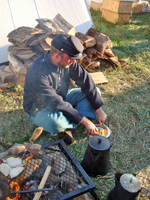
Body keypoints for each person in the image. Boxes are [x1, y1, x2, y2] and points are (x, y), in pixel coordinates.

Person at [23, 33, 107, 144]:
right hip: (40, 108)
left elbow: (86, 82)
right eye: (72, 58)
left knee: (96, 92)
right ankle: (68, 124)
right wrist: (85, 121)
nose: (74, 61)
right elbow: (56, 102)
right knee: (55, 123)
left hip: (63, 98)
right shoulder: (37, 72)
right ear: (57, 55)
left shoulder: (69, 62)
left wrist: (99, 110)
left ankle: (70, 121)